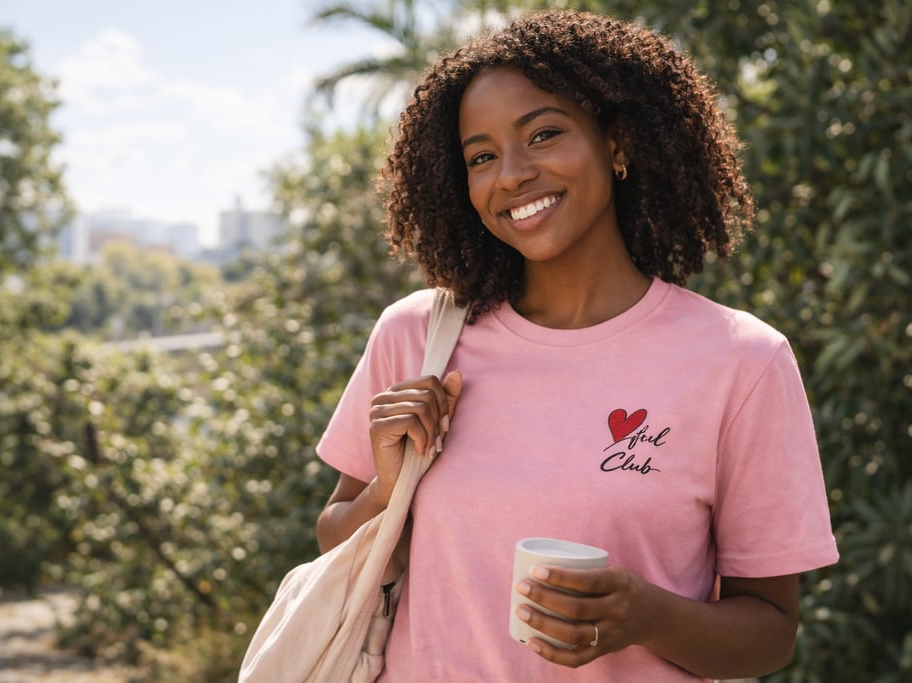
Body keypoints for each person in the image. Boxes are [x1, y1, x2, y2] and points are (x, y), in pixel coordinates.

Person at [314, 9, 839, 682]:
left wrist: (647, 616)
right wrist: (389, 489)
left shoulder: (742, 361)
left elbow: (770, 634)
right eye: (481, 156)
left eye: (545, 134)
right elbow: (335, 542)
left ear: (616, 144)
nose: (511, 174)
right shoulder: (418, 339)